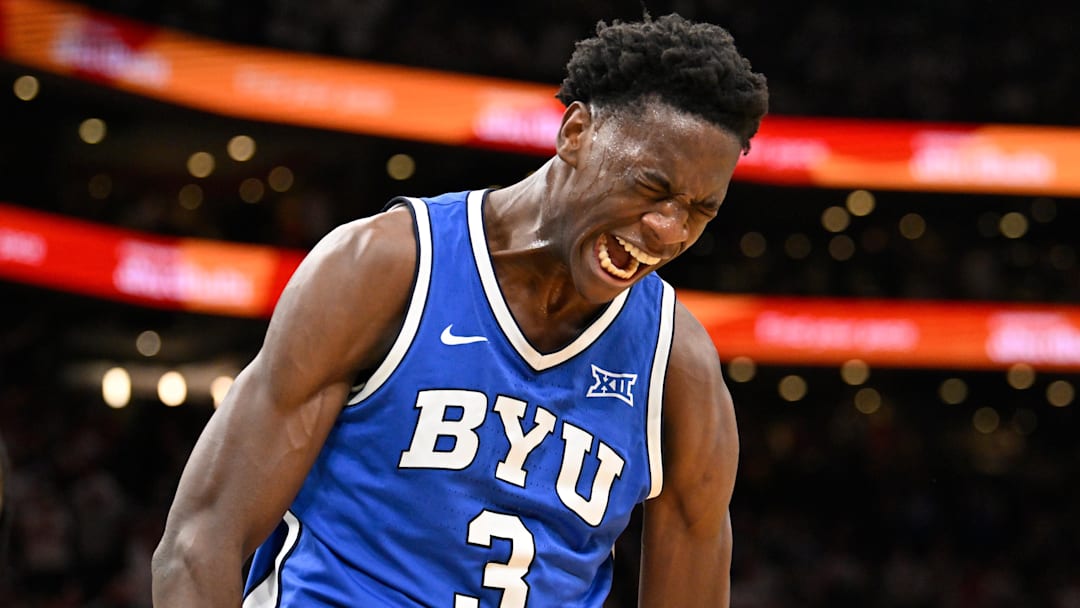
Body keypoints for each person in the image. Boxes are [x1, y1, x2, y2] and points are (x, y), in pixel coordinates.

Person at [152, 13, 768, 607]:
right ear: (576, 133)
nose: (669, 230)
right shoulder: (386, 267)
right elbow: (198, 544)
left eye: (700, 211)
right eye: (651, 187)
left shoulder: (679, 369)